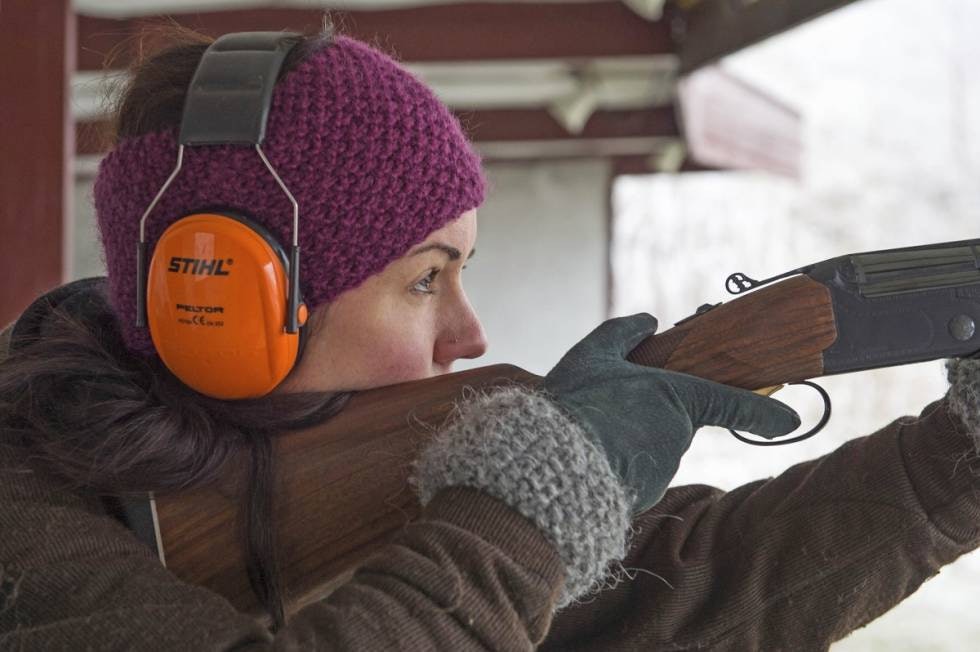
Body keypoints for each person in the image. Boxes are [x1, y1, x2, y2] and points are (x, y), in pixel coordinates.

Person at [0, 26, 978, 651]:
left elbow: (690, 587)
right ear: (219, 303)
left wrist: (954, 465)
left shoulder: (360, 490)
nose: (469, 336)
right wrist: (522, 511)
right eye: (424, 279)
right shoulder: (25, 521)